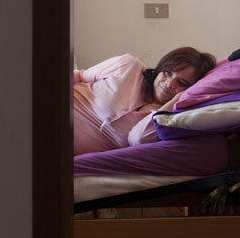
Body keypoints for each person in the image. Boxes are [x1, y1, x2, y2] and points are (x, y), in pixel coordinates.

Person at [72, 46, 216, 156]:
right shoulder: (129, 66)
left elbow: (137, 139)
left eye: (182, 82)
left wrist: (177, 100)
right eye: (167, 72)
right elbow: (79, 75)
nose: (169, 83)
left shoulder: (165, 115)